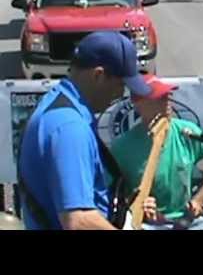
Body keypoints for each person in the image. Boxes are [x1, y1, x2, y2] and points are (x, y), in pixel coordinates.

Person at [18, 32, 157, 230]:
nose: (121, 94)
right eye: (120, 85)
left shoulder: (60, 105)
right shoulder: (69, 127)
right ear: (98, 75)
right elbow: (78, 220)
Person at [111, 74, 203, 230]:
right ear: (138, 103)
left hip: (187, 221)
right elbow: (112, 196)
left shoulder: (187, 132)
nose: (168, 101)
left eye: (168, 96)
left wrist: (198, 200)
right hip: (147, 225)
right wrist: (137, 205)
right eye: (160, 97)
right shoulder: (122, 147)